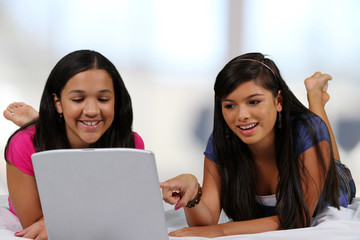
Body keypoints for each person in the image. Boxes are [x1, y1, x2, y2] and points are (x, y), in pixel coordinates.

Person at [160, 52, 356, 237]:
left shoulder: (306, 130)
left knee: (328, 157)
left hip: (333, 183)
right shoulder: (221, 143)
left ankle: (315, 99)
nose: (241, 115)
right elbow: (206, 220)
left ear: (278, 100)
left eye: (253, 102)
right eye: (230, 105)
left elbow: (298, 218)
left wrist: (221, 231)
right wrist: (193, 194)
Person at [4, 50, 144, 240]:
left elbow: (129, 213)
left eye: (103, 99)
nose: (93, 110)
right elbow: (35, 227)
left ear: (116, 102)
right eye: (78, 99)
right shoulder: (23, 145)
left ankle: (43, 121)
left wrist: (62, 221)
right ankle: (44, 123)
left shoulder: (131, 143)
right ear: (58, 103)